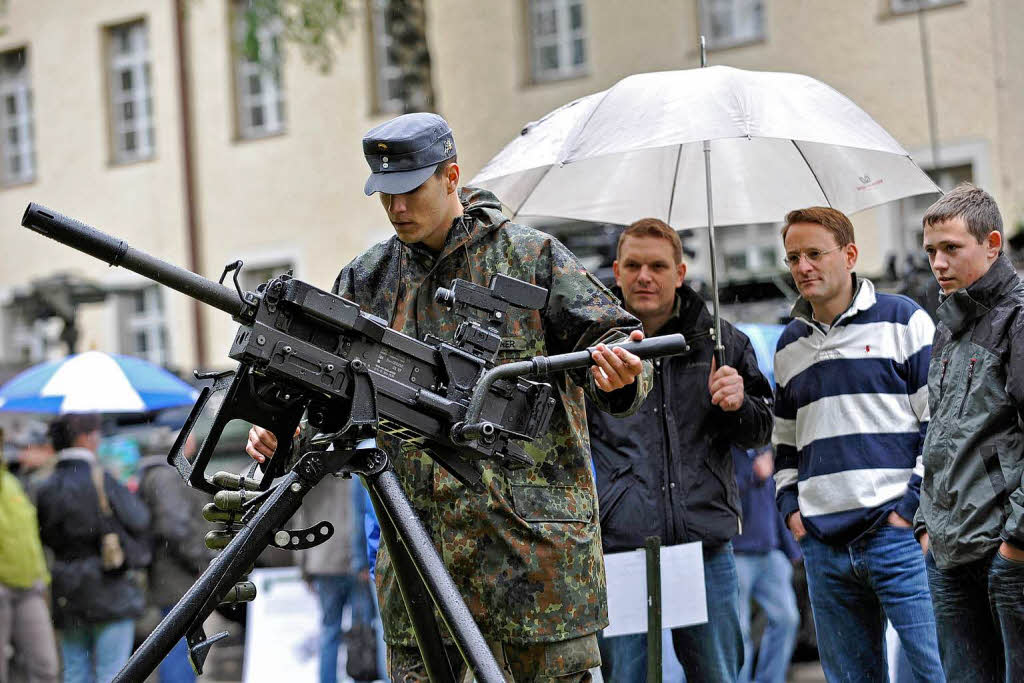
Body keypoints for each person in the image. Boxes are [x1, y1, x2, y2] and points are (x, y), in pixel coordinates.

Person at [246, 112, 651, 683]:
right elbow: (329, 397)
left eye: (410, 191)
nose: (397, 209)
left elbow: (615, 339)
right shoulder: (365, 282)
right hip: (422, 571)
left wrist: (621, 375)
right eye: (384, 195)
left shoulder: (530, 259)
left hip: (531, 563)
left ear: (451, 177)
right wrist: (285, 434)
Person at [587, 218, 775, 682]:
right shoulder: (594, 347)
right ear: (616, 270)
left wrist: (737, 404)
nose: (644, 276)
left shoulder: (721, 341)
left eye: (657, 265)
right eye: (633, 265)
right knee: (625, 678)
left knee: (717, 675)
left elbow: (761, 430)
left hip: (703, 546)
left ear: (680, 272)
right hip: (622, 546)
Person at [772, 207, 944, 682]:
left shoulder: (903, 319)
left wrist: (908, 509)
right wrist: (791, 506)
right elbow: (785, 441)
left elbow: (939, 425)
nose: (803, 267)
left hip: (897, 537)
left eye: (813, 254)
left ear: (849, 254)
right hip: (823, 547)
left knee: (938, 671)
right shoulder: (789, 345)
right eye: (793, 258)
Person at [914, 183, 1024, 681]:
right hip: (949, 554)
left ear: (993, 243)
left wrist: (1016, 545)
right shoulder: (948, 323)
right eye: (931, 251)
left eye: (952, 248)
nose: (938, 262)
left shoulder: (1018, 319)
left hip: (1005, 555)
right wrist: (925, 525)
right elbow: (941, 431)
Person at [35, 413, 151, 683]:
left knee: (75, 671)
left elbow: (44, 536)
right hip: (108, 585)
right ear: (85, 438)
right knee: (114, 673)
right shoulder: (101, 478)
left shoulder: (45, 486)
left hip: (66, 588)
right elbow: (139, 518)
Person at [136, 428, 212, 683]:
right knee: (179, 646)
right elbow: (174, 527)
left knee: (177, 644)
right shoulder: (166, 476)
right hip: (177, 577)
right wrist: (201, 561)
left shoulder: (156, 474)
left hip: (170, 573)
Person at [295, 473, 377, 683]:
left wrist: (304, 568)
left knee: (330, 630)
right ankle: (363, 678)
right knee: (363, 632)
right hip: (354, 564)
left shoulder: (311, 475)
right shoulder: (358, 471)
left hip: (323, 563)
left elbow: (300, 521)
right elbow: (362, 517)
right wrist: (365, 560)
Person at [732, 445, 801, 683]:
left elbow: (776, 498)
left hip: (771, 552)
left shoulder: (766, 447)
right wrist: (754, 476)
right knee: (739, 631)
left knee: (787, 618)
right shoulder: (725, 447)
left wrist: (791, 549)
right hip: (736, 552)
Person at [0, 440, 59, 683]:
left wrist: (40, 579)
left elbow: (27, 535)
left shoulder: (11, 482)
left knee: (46, 666)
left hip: (28, 587)